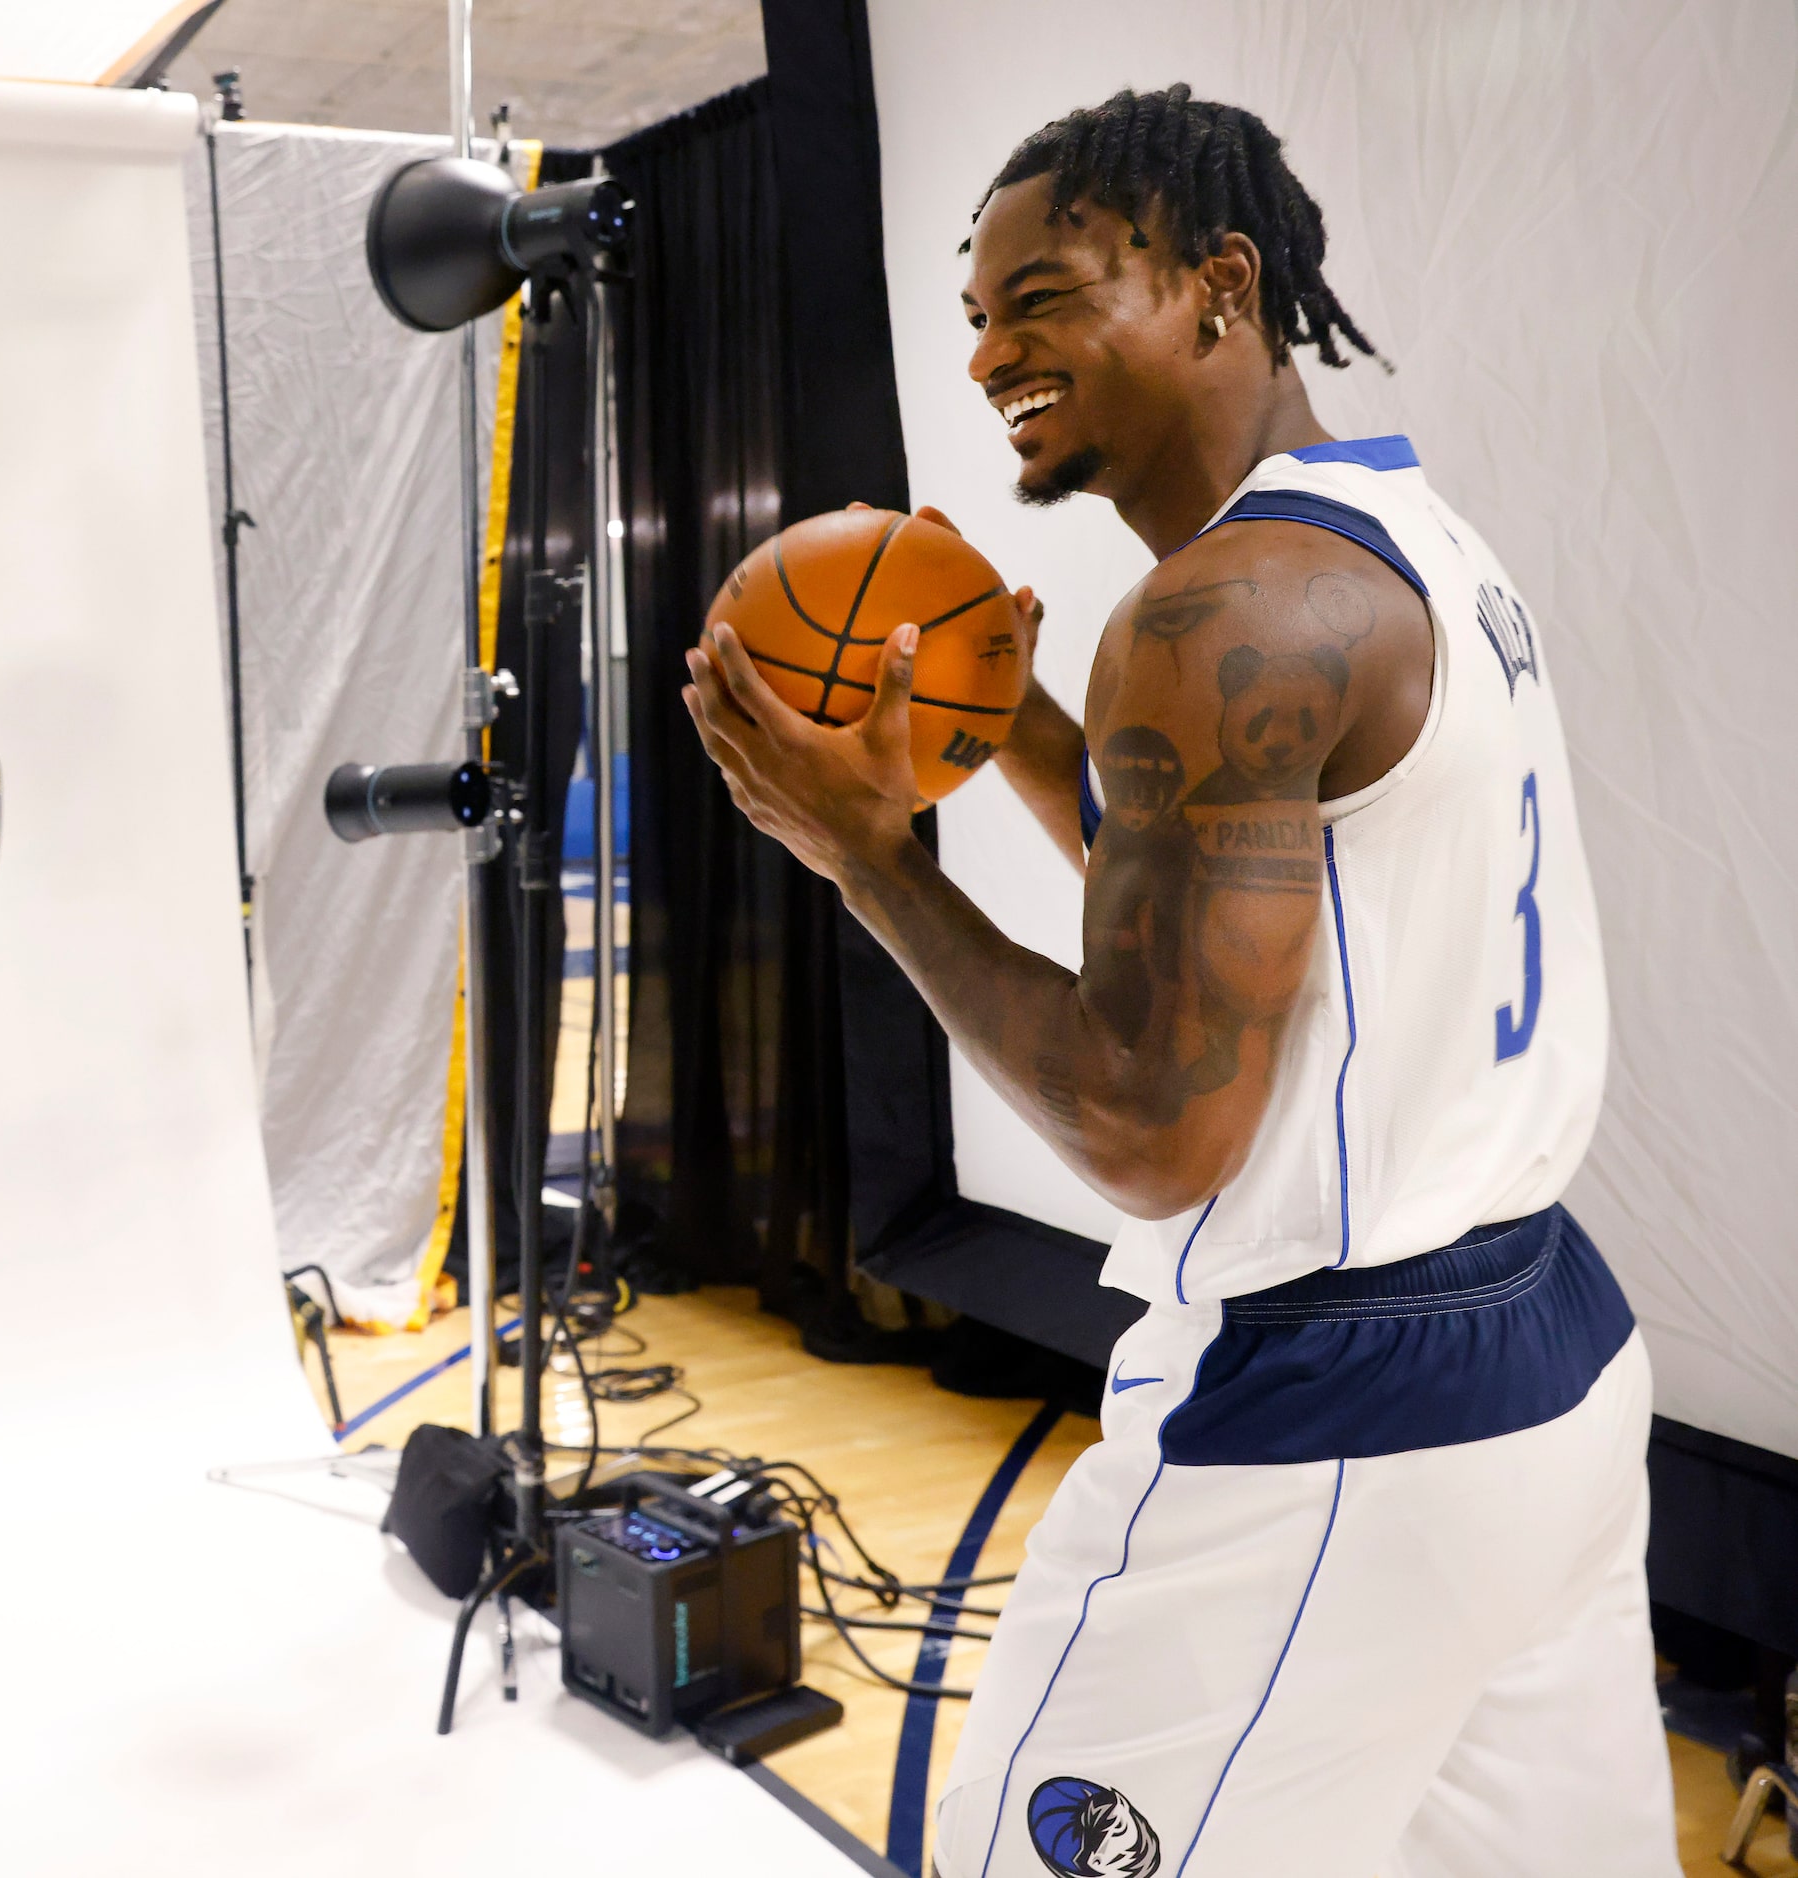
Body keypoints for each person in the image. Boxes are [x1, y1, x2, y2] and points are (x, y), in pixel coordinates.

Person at [684, 88, 1673, 1876]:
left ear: (1221, 284)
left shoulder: (1221, 617)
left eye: (1043, 297)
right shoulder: (1400, 540)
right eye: (975, 313)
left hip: (1336, 1420)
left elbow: (1154, 1125)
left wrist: (872, 864)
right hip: (1553, 1364)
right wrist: (1013, 728)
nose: (989, 353)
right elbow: (1261, 909)